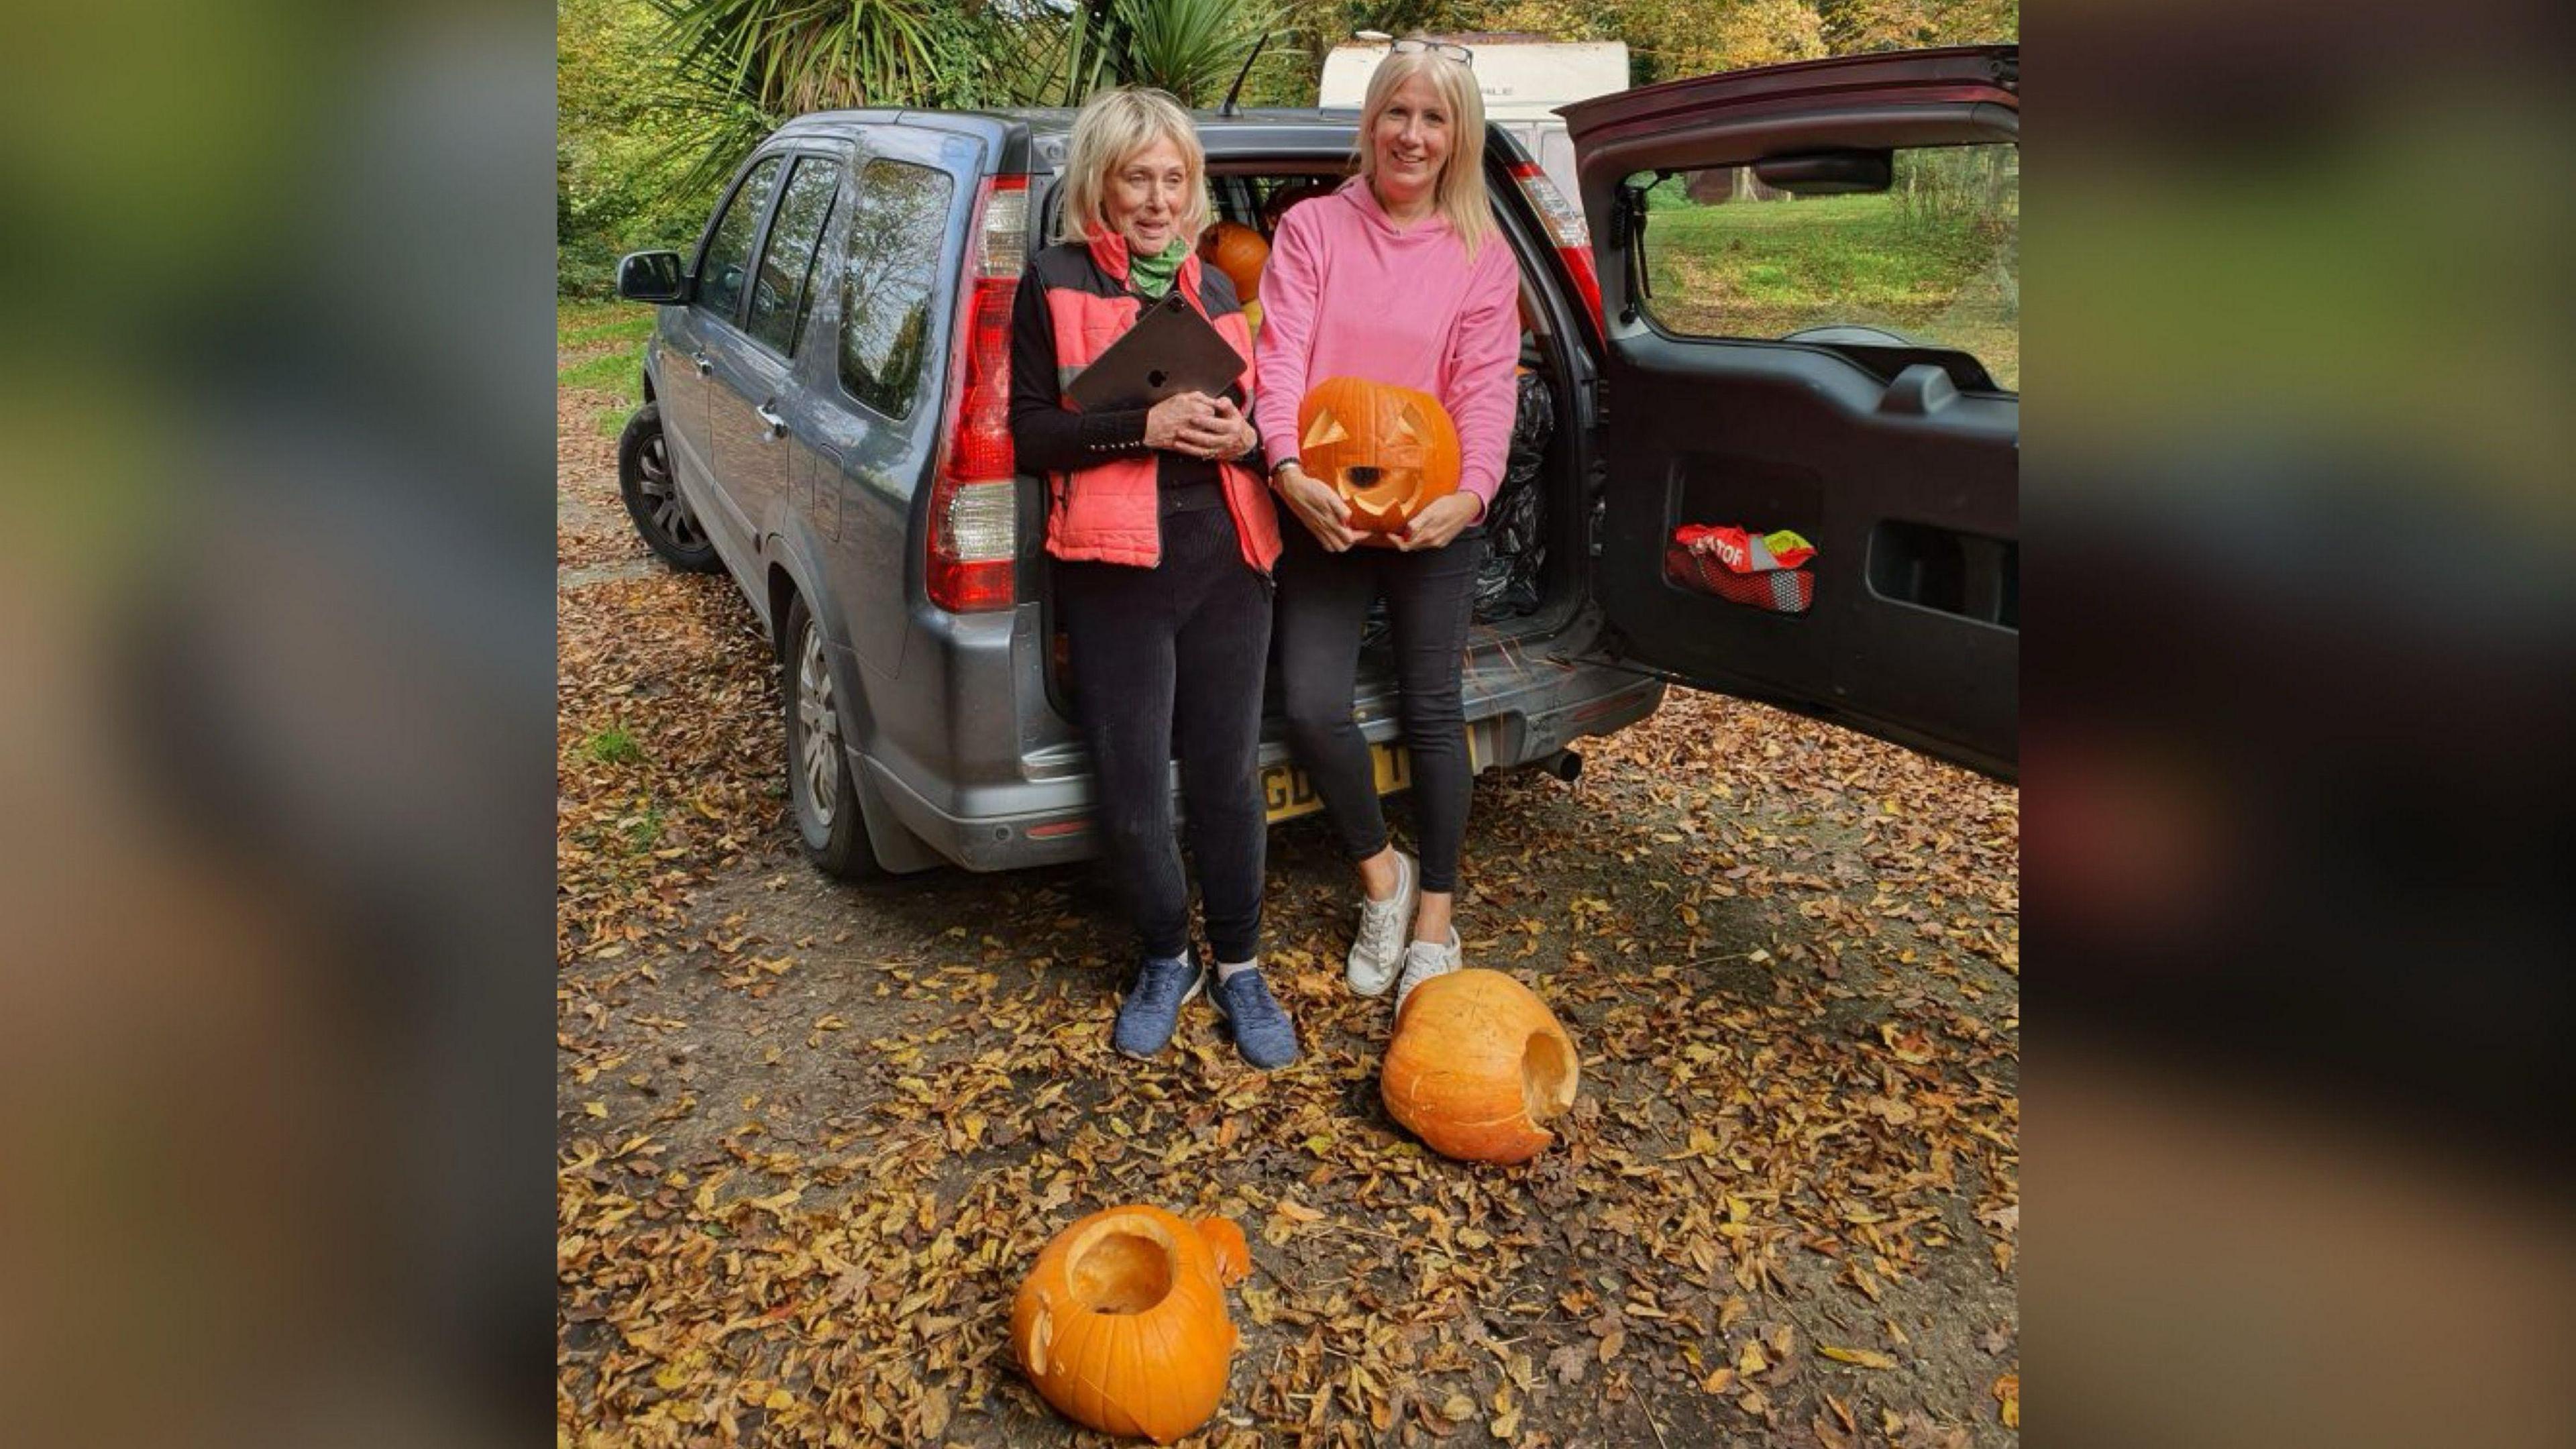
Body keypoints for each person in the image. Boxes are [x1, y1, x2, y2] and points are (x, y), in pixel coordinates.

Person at [1006, 88, 1299, 1069]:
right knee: (1132, 787)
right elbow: (1033, 435)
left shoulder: (1216, 290)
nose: (1159, 199)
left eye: (1175, 179)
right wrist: (1145, 427)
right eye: (1138, 177)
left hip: (1228, 558)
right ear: (1100, 180)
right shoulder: (1051, 281)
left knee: (1227, 778)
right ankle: (1167, 956)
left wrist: (1244, 434)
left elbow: (1251, 423)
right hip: (1117, 567)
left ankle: (1243, 967)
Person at [1254, 48, 1521, 1011]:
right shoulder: (1312, 230)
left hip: (1434, 514)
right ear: (1370, 124)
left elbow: (1486, 389)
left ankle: (1437, 923)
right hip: (1322, 508)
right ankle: (1383, 879)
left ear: (1459, 136)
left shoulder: (1481, 254)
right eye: (1397, 113)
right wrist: (1284, 467)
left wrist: (1473, 493)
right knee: (1313, 704)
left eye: (1435, 119)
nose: (1413, 135)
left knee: (1433, 712)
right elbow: (1278, 358)